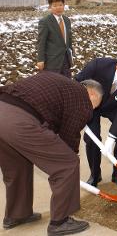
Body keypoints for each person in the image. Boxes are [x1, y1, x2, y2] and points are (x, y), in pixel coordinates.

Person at [0, 71, 103, 235]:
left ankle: (16, 215)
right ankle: (60, 222)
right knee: (67, 163)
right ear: (91, 92)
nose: (91, 110)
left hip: (3, 108)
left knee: (17, 166)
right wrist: (68, 158)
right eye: (94, 105)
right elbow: (69, 137)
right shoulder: (81, 96)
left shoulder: (60, 84)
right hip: (20, 120)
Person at [75, 52, 117, 187]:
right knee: (92, 138)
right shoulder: (97, 66)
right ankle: (95, 175)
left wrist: (111, 137)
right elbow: (76, 83)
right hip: (92, 106)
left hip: (114, 107)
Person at [37, 0, 73, 78]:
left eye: (60, 5)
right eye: (55, 5)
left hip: (66, 59)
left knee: (67, 83)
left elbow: (69, 39)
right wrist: (40, 60)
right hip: (52, 61)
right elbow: (41, 42)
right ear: (50, 7)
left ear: (64, 6)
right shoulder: (45, 21)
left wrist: (71, 54)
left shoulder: (67, 20)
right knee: (53, 84)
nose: (58, 8)